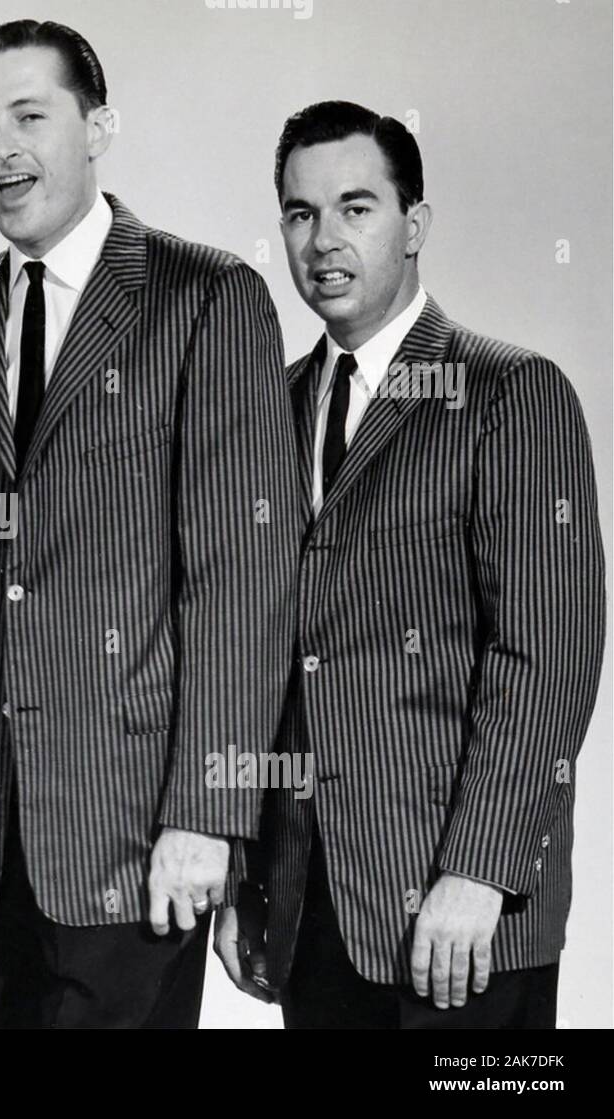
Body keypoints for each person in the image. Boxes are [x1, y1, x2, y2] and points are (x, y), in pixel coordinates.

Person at [0, 19, 300, 1028]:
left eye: (30, 115)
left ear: (97, 126)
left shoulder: (206, 298)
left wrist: (206, 815)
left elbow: (242, 579)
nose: (1, 149)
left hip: (135, 842)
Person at [216, 100, 605, 1028]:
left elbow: (548, 661)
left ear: (414, 223)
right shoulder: (266, 409)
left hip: (464, 919)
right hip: (312, 915)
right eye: (301, 214)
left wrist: (479, 870)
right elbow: (250, 651)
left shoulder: (512, 394)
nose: (324, 240)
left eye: (357, 207)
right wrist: (244, 868)